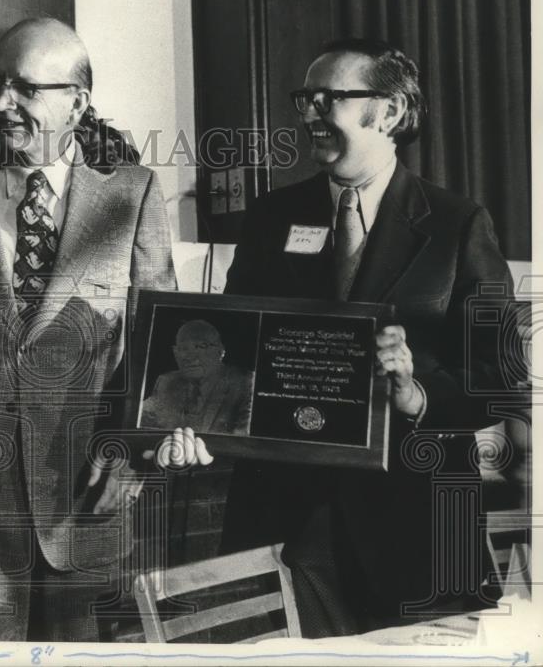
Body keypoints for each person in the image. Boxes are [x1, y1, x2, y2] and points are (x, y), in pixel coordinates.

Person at [0, 17, 208, 641]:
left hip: (86, 499)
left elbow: (164, 348)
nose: (0, 103)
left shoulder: (131, 196)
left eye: (25, 88)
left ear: (77, 102)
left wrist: (132, 457)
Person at [220, 38, 515, 636]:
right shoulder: (273, 217)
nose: (309, 114)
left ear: (390, 112)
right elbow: (231, 345)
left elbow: (501, 376)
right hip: (285, 512)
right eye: (306, 98)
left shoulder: (457, 223)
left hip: (416, 520)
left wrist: (417, 395)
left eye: (330, 98)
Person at [141, 319, 254, 435]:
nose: (189, 357)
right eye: (183, 348)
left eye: (201, 346)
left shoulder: (245, 383)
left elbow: (244, 443)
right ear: (175, 353)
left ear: (220, 351)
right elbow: (139, 423)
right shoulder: (167, 382)